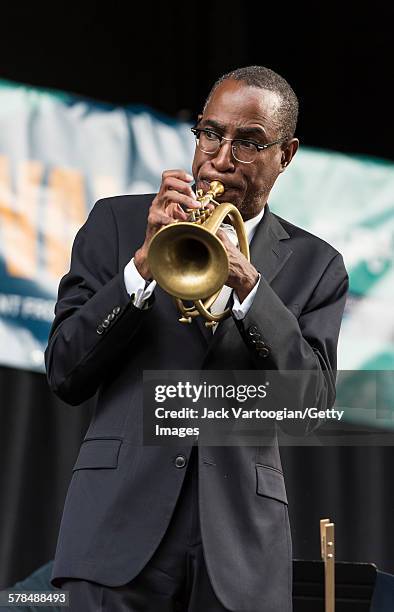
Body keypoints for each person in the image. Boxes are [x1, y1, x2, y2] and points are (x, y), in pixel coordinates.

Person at [45, 66, 348, 611]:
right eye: (210, 133)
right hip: (114, 528)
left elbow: (312, 407)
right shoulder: (116, 223)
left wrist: (251, 288)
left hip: (238, 553)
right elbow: (65, 371)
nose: (221, 158)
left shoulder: (317, 266)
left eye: (249, 142)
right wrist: (139, 269)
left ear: (287, 154)